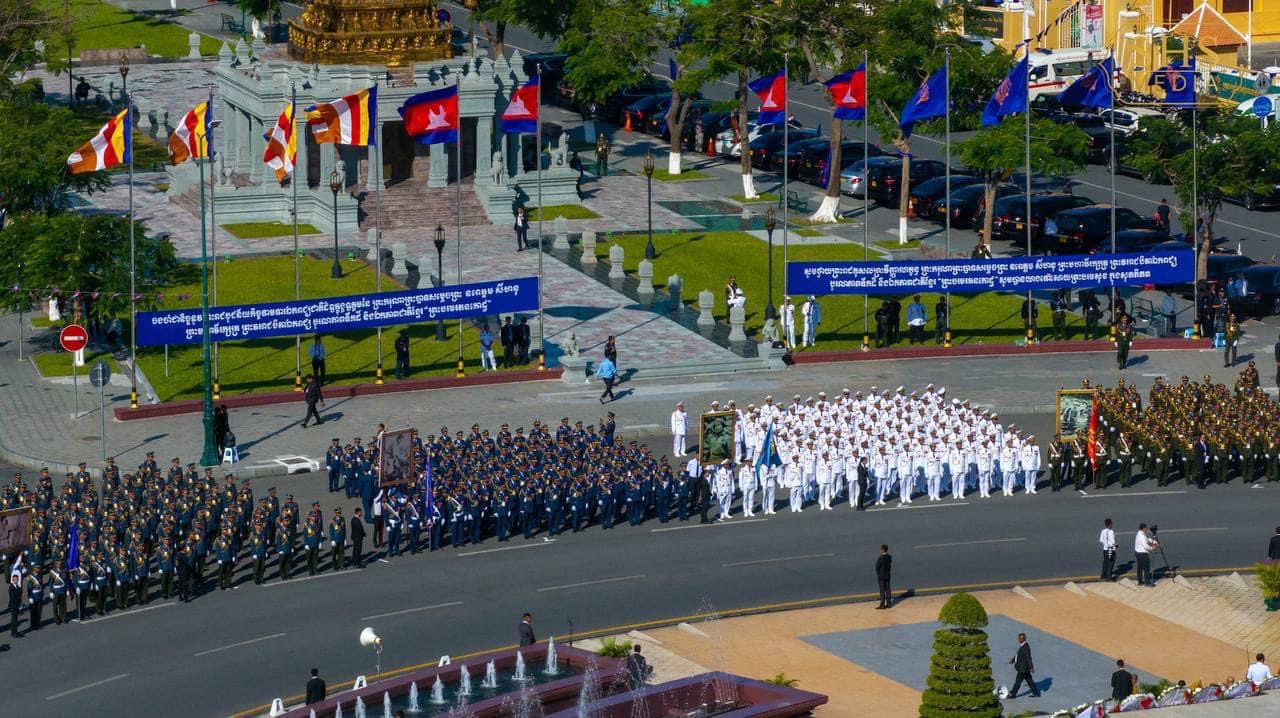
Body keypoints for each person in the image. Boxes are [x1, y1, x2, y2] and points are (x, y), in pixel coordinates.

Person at [1009, 633, 1041, 698]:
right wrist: (1013, 660)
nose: (1018, 639)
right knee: (1030, 681)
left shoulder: (1025, 647)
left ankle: (1013, 694)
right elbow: (1018, 655)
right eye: (1019, 638)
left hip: (1023, 668)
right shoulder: (1023, 646)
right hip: (1025, 668)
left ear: (1023, 639)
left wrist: (1031, 667)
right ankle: (1036, 693)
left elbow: (1028, 658)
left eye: (1020, 638)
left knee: (1018, 681)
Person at [1134, 523, 1158, 587]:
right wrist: (1152, 548)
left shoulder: (1139, 534)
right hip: (1143, 554)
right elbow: (1145, 546)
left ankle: (1140, 582)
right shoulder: (1142, 536)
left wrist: (1154, 541)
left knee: (1140, 568)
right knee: (1146, 568)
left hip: (1138, 553)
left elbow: (1147, 539)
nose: (1147, 529)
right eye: (1146, 528)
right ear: (1143, 528)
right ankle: (1147, 583)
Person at [875, 544, 892, 609]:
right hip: (887, 575)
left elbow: (877, 567)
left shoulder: (880, 558)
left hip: (881, 576)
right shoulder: (889, 557)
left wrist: (878, 573)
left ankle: (882, 605)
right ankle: (889, 604)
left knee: (882, 590)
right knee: (888, 590)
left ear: (882, 550)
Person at [8, 571, 21, 637]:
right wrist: (17, 605)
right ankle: (13, 632)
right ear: (13, 580)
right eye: (15, 579)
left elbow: (19, 596)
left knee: (16, 619)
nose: (16, 580)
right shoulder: (11, 587)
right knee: (14, 620)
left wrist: (20, 604)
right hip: (13, 605)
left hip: (16, 605)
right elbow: (13, 598)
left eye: (17, 579)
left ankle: (15, 631)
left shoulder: (17, 586)